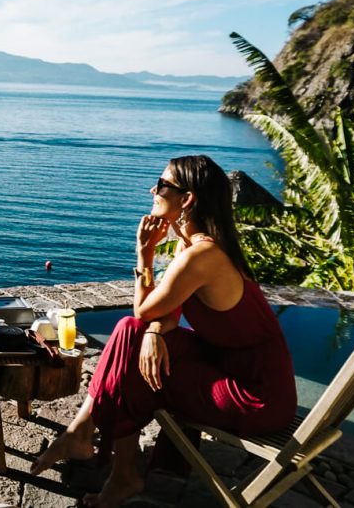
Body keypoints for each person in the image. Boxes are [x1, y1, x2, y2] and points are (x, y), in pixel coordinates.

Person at [31, 155, 296, 507]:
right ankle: (89, 440)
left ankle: (105, 456)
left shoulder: (201, 256)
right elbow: (162, 315)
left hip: (254, 396)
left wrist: (144, 254)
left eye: (162, 185)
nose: (152, 190)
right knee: (131, 332)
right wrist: (154, 333)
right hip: (232, 370)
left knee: (137, 364)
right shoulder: (197, 248)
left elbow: (144, 308)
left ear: (186, 199)